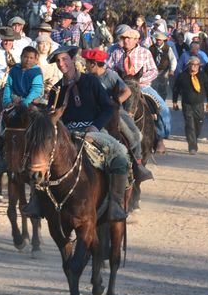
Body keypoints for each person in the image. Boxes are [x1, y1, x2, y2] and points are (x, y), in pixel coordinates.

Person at [48, 45, 133, 221]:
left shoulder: (91, 81)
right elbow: (51, 117)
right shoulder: (56, 90)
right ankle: (38, 202)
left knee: (120, 154)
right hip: (66, 134)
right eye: (58, 61)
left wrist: (95, 126)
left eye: (64, 59)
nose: (61, 63)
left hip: (93, 131)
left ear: (73, 60)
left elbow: (108, 108)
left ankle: (115, 204)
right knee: (41, 159)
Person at [87, 47, 153, 182]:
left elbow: (127, 91)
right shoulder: (88, 78)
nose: (85, 66)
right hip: (94, 112)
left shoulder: (110, 76)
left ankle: (138, 165)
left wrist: (115, 102)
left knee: (135, 135)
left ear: (93, 63)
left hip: (115, 110)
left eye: (87, 63)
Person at [106, 24, 171, 153]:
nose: (126, 41)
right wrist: (117, 79)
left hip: (143, 87)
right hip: (120, 87)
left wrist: (138, 81)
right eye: (124, 38)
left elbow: (153, 71)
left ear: (136, 40)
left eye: (129, 38)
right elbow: (108, 68)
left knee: (163, 108)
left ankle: (160, 137)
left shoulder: (145, 52)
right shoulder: (115, 52)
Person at [171, 54, 208, 154]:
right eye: (192, 64)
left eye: (197, 65)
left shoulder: (203, 75)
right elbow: (176, 89)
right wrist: (175, 101)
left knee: (199, 123)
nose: (194, 66)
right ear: (188, 65)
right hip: (187, 104)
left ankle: (194, 138)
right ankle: (192, 146)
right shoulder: (182, 76)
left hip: (199, 104)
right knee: (190, 125)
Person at [1, 45, 43, 123]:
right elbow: (8, 86)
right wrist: (7, 101)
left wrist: (25, 102)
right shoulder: (14, 70)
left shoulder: (36, 72)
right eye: (25, 57)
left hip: (30, 101)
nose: (28, 60)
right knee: (3, 118)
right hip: (14, 99)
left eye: (31, 58)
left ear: (35, 60)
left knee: (36, 119)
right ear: (21, 57)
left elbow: (36, 90)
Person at [33, 24, 62, 95]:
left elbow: (58, 75)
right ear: (38, 45)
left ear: (50, 46)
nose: (44, 46)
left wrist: (54, 80)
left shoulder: (53, 60)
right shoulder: (33, 61)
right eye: (42, 44)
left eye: (47, 44)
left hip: (51, 91)